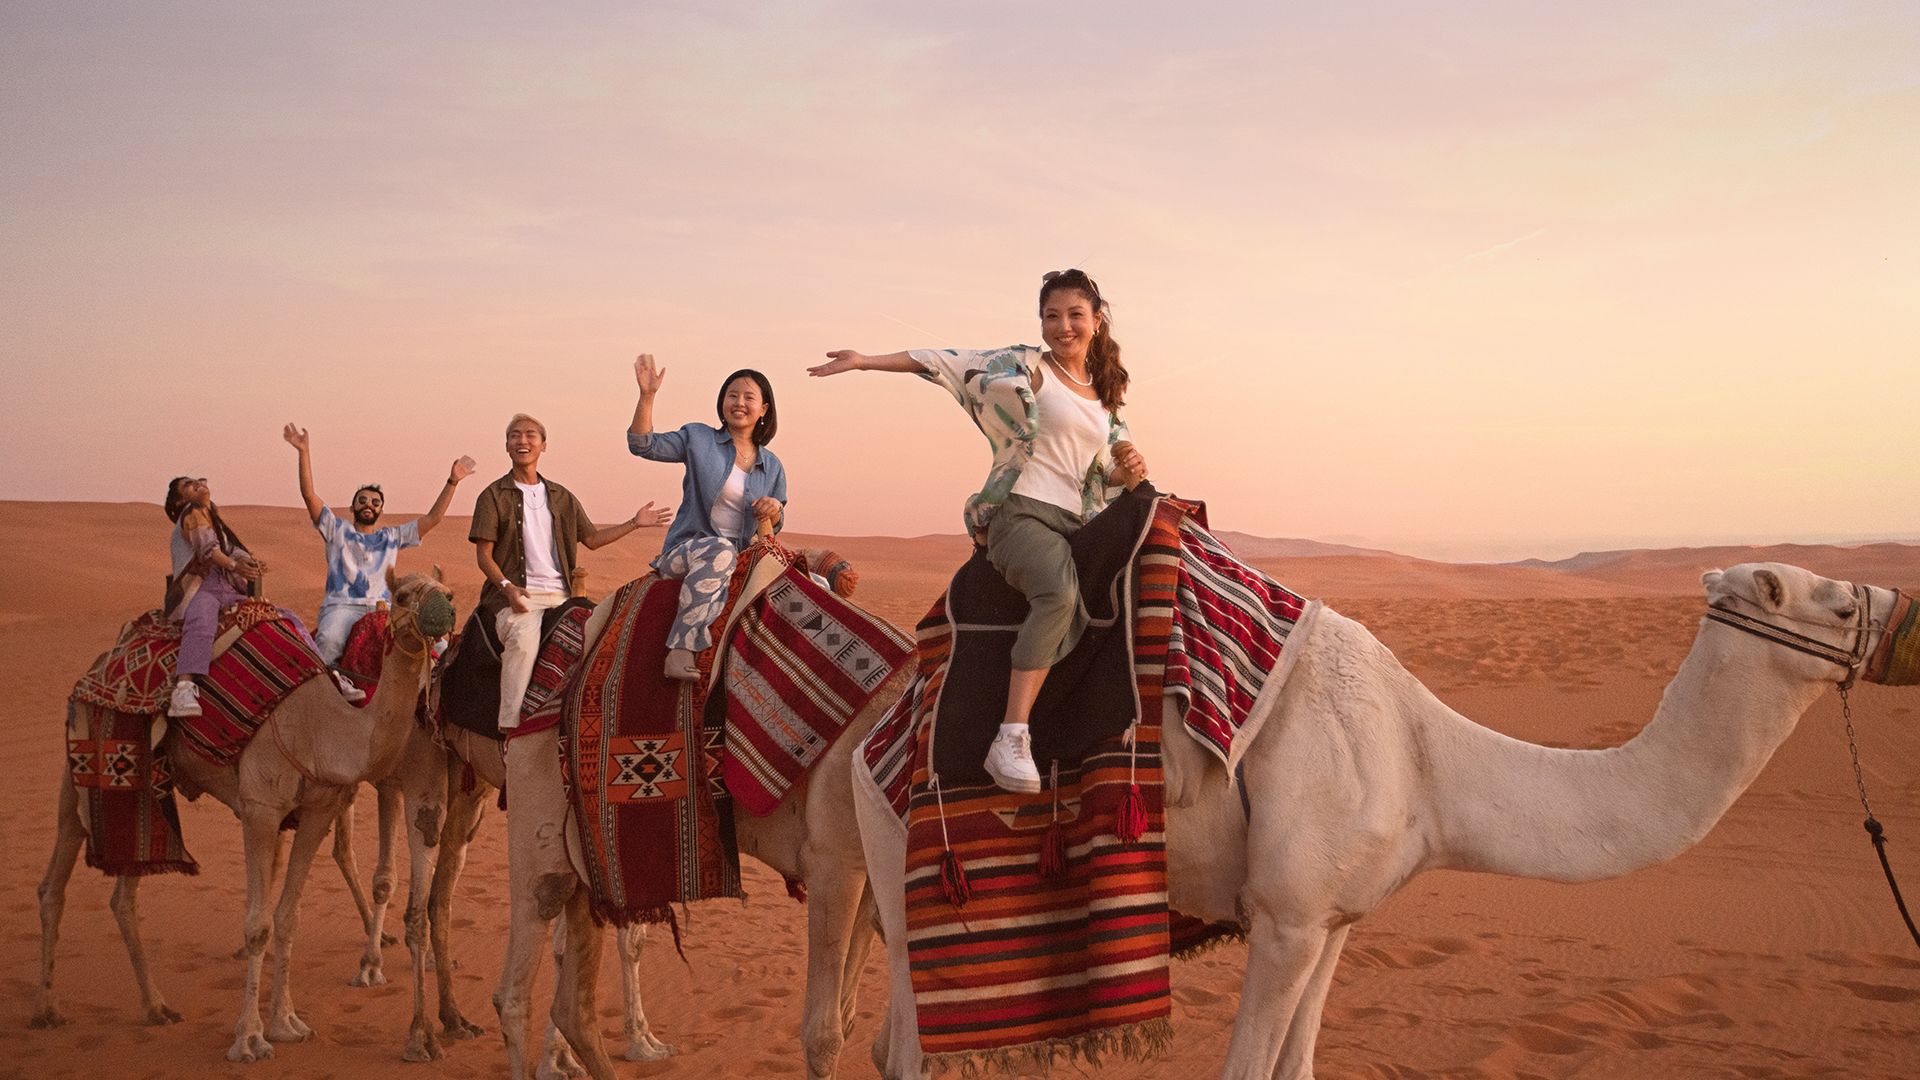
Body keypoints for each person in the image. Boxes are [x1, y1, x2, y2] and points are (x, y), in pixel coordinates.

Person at [810, 269, 1149, 793]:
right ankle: (1011, 737)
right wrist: (866, 361)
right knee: (1058, 595)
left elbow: (1103, 478)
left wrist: (1128, 471)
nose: (1063, 326)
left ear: (1097, 321)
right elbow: (945, 360)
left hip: (1077, 523)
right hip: (1022, 514)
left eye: (1074, 315)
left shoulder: (1106, 399)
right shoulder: (1024, 367)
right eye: (1052, 316)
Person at [471, 414, 671, 732]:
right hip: (515, 597)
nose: (523, 440)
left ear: (544, 445)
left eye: (531, 435)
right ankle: (511, 726)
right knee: (523, 641)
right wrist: (508, 588)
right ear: (507, 445)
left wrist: (634, 523)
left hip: (561, 596)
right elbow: (484, 556)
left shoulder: (561, 497)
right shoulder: (492, 496)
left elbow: (592, 539)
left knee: (607, 639)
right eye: (515, 435)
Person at [626, 356, 788, 679]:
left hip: (739, 556)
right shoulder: (698, 439)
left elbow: (774, 524)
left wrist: (774, 509)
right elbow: (643, 445)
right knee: (720, 550)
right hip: (688, 551)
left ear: (763, 409)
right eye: (732, 395)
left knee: (806, 577)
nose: (738, 402)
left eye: (748, 397)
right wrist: (647, 396)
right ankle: (681, 647)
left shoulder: (772, 466)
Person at [282, 423, 476, 674]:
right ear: (352, 507)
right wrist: (304, 452)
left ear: (381, 510)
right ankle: (330, 688)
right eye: (362, 500)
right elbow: (309, 495)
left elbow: (433, 518)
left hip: (384, 609)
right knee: (329, 641)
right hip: (342, 606)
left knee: (437, 645)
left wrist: (452, 481)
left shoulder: (391, 537)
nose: (368, 504)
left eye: (375, 502)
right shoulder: (336, 530)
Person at [162, 475, 340, 717]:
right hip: (199, 588)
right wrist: (235, 566)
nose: (198, 483)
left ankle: (326, 671)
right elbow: (208, 549)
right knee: (202, 620)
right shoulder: (191, 513)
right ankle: (183, 688)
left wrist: (248, 562)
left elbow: (231, 549)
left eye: (199, 479)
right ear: (179, 502)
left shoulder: (213, 521)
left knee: (283, 617)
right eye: (188, 484)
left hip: (228, 589)